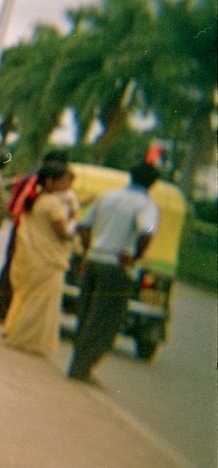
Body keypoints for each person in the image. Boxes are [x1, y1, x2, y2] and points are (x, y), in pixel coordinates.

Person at [67, 163, 160, 384]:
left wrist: (89, 248)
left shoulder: (108, 197)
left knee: (87, 315)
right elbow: (147, 232)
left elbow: (83, 226)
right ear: (152, 184)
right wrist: (136, 256)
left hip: (95, 260)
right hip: (117, 266)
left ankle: (77, 364)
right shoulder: (146, 205)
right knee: (105, 321)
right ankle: (82, 369)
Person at [0, 149, 69, 323]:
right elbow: (17, 207)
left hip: (33, 232)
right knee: (14, 268)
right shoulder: (33, 182)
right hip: (24, 231)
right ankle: (2, 309)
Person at [3, 163, 76, 356]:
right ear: (51, 182)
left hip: (36, 256)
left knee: (33, 300)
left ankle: (24, 337)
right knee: (39, 303)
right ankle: (25, 339)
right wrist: (75, 232)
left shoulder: (39, 199)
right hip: (47, 258)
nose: (67, 184)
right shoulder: (53, 203)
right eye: (64, 180)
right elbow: (62, 233)